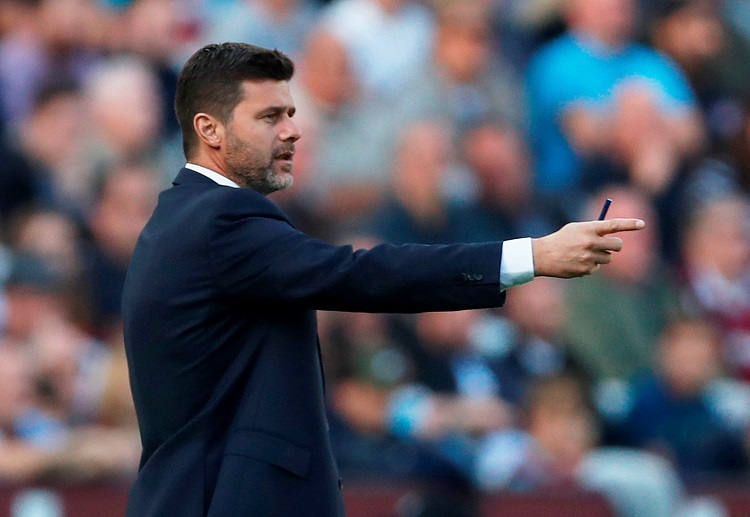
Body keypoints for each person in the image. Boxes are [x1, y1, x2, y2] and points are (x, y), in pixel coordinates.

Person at [121, 42, 644, 517]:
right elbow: (360, 274)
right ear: (210, 129)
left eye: (291, 114)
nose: (292, 131)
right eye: (269, 116)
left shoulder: (182, 216)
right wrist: (533, 255)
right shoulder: (221, 219)